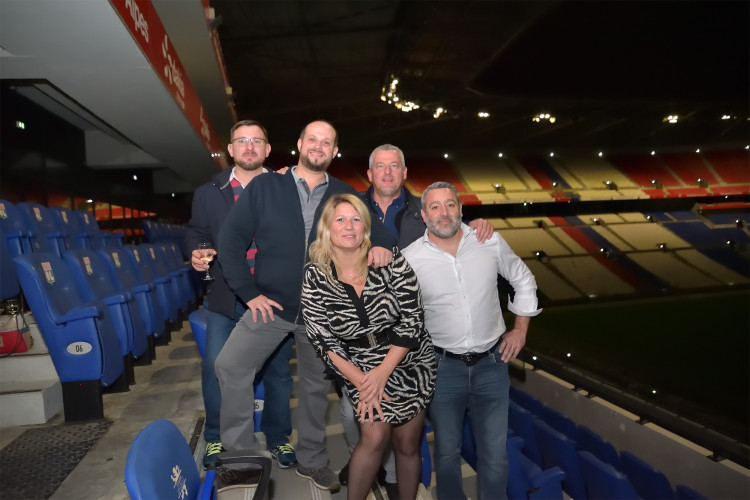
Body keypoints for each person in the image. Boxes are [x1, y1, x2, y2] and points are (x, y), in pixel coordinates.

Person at [215, 120, 397, 492]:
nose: (318, 146)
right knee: (230, 366)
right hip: (271, 306)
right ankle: (242, 455)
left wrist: (381, 245)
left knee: (315, 387)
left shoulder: (345, 193)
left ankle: (312, 460)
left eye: (326, 142)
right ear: (299, 144)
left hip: (321, 311)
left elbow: (379, 232)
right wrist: (248, 293)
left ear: (334, 151)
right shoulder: (267, 185)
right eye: (312, 139)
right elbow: (230, 240)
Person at [337, 144, 494, 494]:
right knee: (356, 418)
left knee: (407, 433)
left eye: (395, 166)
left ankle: (392, 479)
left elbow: (451, 226)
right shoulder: (353, 209)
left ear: (405, 173)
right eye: (381, 166)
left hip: (410, 339)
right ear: (370, 173)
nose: (388, 172)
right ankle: (366, 461)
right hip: (361, 339)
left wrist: (479, 224)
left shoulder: (423, 210)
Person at [402, 181, 542, 500]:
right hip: (442, 368)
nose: (444, 213)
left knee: (495, 455)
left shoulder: (488, 240)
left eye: (450, 205)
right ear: (424, 216)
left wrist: (520, 329)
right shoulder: (409, 259)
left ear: (461, 209)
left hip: (492, 366)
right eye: (435, 207)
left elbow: (524, 279)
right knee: (448, 456)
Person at [301, 194, 436, 500]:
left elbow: (413, 319)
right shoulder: (315, 276)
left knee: (406, 444)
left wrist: (382, 373)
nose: (349, 226)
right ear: (327, 228)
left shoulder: (389, 259)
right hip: (357, 365)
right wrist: (363, 381)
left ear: (366, 226)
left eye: (356, 219)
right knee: (373, 438)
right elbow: (322, 338)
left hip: (409, 360)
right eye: (340, 220)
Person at [185, 119, 296, 471]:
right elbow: (197, 232)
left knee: (278, 373)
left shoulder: (286, 189)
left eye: (257, 141)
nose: (249, 146)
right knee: (216, 368)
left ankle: (278, 438)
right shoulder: (209, 192)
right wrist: (198, 251)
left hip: (274, 299)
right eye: (241, 141)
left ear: (266, 149)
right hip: (225, 297)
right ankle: (216, 436)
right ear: (230, 150)